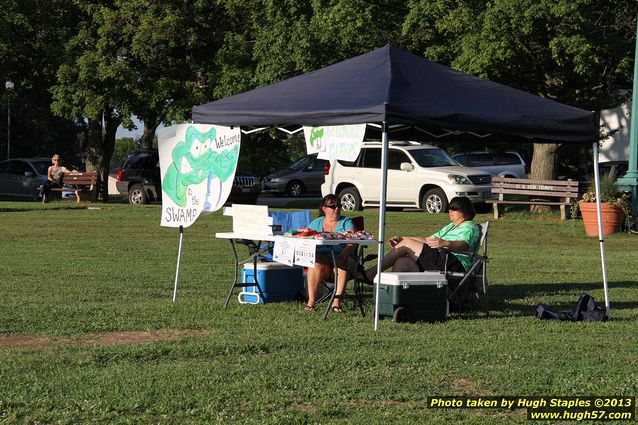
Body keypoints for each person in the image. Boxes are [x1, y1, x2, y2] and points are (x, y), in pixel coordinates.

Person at [358, 196, 479, 284]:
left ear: (465, 211)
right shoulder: (451, 226)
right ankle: (395, 299)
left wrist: (446, 243)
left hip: (454, 263)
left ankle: (371, 274)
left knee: (405, 245)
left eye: (454, 208)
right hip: (441, 258)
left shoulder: (469, 227)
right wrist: (403, 238)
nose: (450, 211)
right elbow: (428, 239)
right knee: (402, 262)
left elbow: (464, 245)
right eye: (450, 208)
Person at [304, 194, 356, 313]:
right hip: (324, 265)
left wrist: (343, 255)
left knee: (343, 263)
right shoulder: (316, 223)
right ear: (324, 208)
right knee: (316, 262)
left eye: (339, 205)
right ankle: (311, 301)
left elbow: (353, 242)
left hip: (341, 260)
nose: (337, 208)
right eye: (333, 206)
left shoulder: (346, 222)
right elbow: (306, 240)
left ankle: (336, 301)